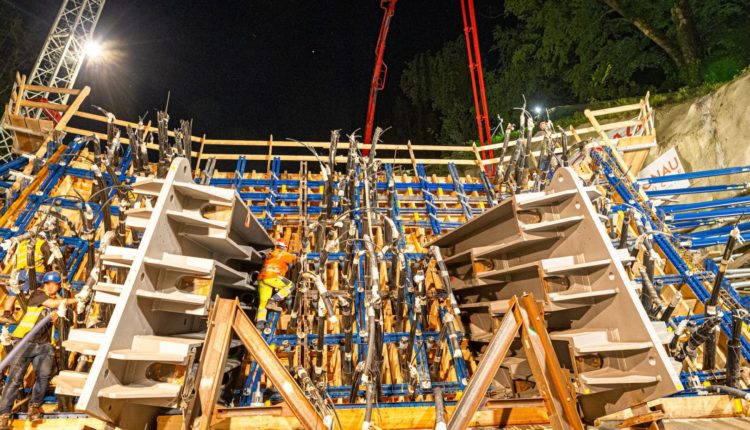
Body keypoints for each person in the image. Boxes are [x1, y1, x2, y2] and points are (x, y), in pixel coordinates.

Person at [0, 271, 76, 429]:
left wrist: (63, 315)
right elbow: (53, 304)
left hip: (44, 345)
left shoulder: (60, 303)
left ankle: (34, 407)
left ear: (58, 286)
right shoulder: (37, 295)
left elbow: (69, 320)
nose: (50, 287)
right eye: (47, 284)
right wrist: (77, 298)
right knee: (15, 379)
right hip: (25, 342)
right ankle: (4, 415)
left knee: (44, 377)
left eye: (53, 284)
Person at [0, 236, 51, 325]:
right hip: (35, 272)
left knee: (14, 293)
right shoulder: (42, 243)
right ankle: (32, 317)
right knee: (33, 294)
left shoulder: (23, 243)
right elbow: (48, 259)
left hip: (20, 272)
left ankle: (6, 314)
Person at [256, 240, 297, 331]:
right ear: (283, 247)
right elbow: (295, 260)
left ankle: (260, 323)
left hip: (262, 278)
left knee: (263, 302)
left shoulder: (270, 254)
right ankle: (274, 300)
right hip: (273, 276)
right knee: (291, 285)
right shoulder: (284, 254)